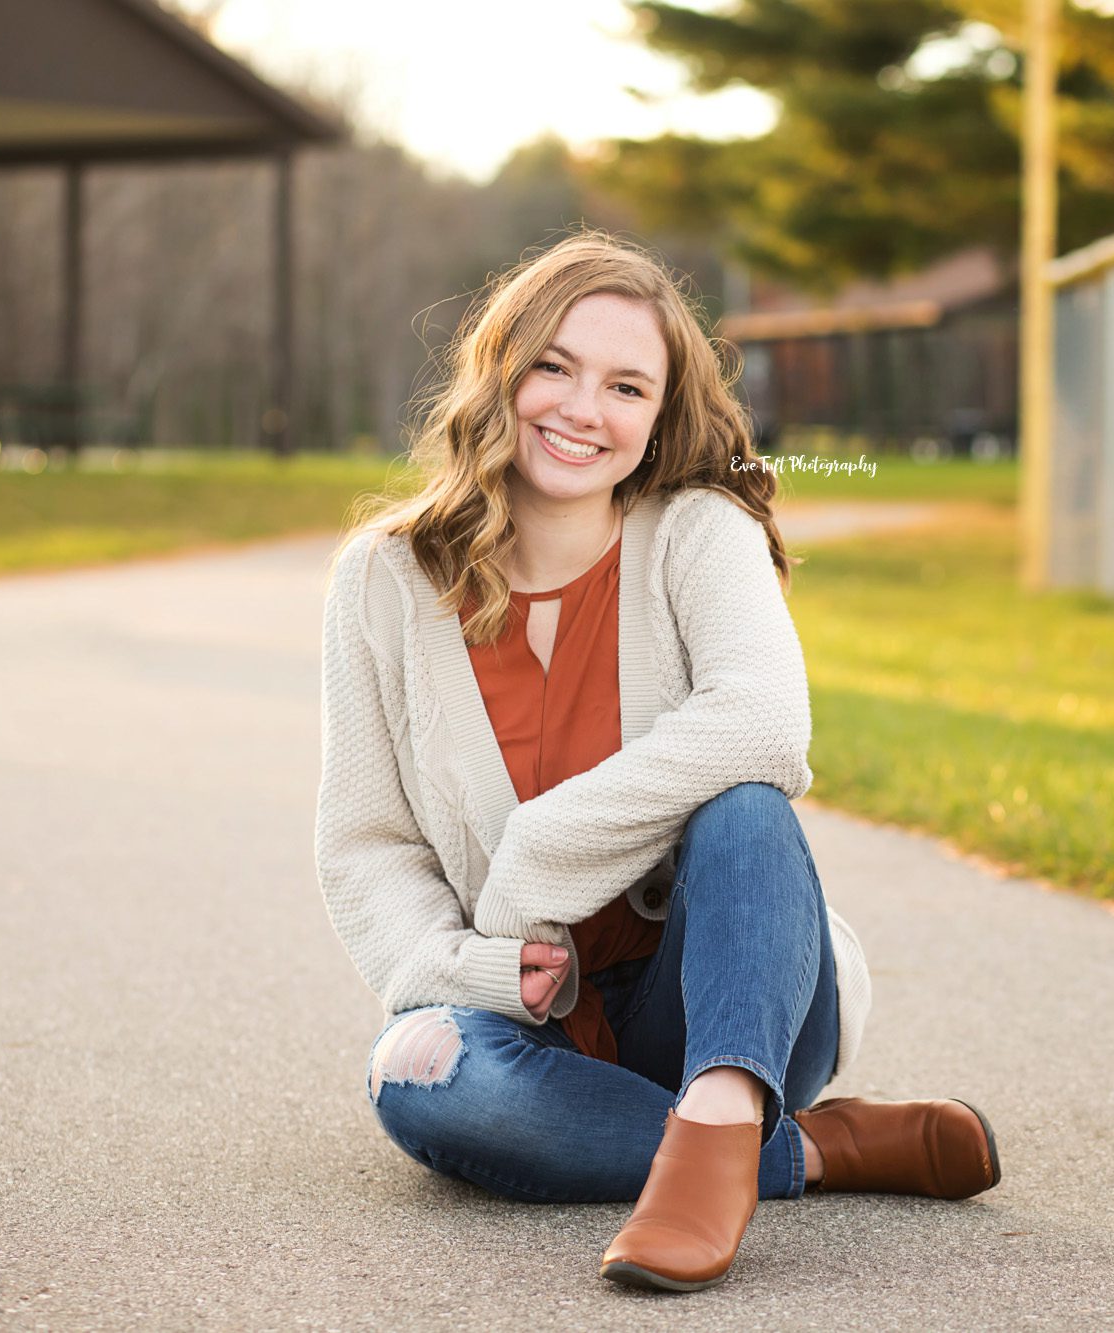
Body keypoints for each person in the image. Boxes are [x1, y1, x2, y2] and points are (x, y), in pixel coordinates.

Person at [314, 229, 1000, 1293]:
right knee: (428, 1085)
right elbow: (367, 846)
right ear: (501, 370)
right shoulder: (386, 578)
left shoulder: (697, 532)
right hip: (521, 1013)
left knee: (746, 807)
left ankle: (726, 1102)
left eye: (624, 386)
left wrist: (539, 854)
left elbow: (767, 724)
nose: (583, 409)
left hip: (734, 996)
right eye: (554, 366)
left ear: (657, 415)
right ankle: (814, 1151)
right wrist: (476, 967)